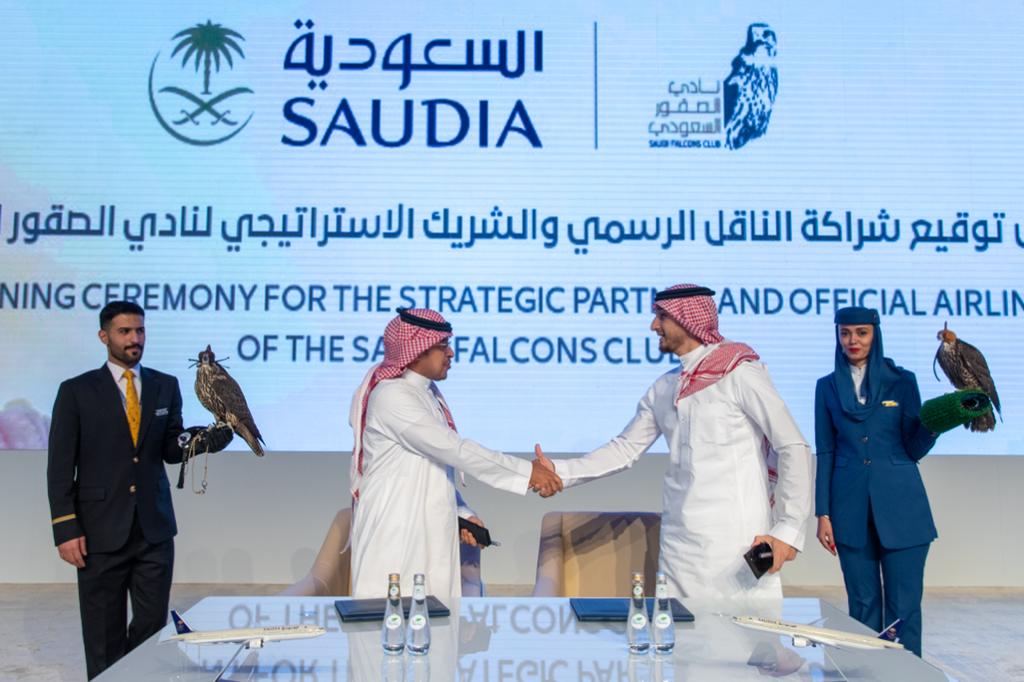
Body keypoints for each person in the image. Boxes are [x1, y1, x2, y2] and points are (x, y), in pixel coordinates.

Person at [544, 284, 813, 600]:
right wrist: (558, 472)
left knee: (743, 632)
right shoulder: (665, 387)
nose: (653, 326)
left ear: (687, 319)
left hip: (736, 541)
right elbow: (625, 449)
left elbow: (792, 445)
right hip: (679, 546)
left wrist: (788, 530)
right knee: (677, 629)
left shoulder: (740, 373)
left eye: (661, 317)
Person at [348, 308, 562, 598]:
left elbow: (432, 471)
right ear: (417, 350)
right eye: (442, 345)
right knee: (387, 620)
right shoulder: (392, 396)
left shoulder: (427, 395)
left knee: (435, 621)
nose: (450, 353)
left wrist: (462, 513)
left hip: (427, 535)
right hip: (394, 533)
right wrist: (527, 472)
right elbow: (454, 450)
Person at [47, 301, 185, 679]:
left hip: (154, 529)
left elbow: (171, 449)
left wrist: (201, 441)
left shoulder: (165, 385)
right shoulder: (76, 391)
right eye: (125, 332)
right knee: (103, 634)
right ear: (103, 336)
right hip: (98, 531)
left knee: (152, 628)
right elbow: (60, 467)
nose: (134, 339)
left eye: (140, 331)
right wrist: (65, 528)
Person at [814, 306, 937, 657]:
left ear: (875, 334)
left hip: (903, 510)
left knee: (903, 608)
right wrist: (823, 512)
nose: (852, 340)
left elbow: (914, 448)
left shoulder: (902, 381)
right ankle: (865, 674)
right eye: (845, 333)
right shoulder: (826, 387)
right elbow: (826, 451)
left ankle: (906, 675)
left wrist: (934, 426)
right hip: (849, 511)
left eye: (861, 333)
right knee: (862, 605)